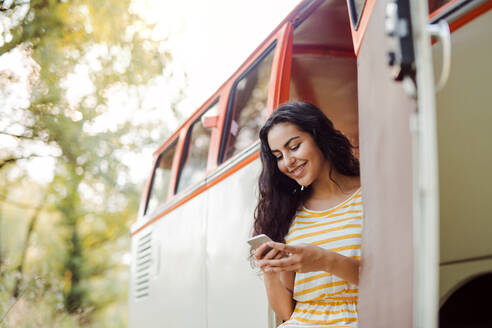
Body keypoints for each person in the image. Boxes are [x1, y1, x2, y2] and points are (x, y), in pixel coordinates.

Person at [253, 101, 362, 327]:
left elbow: (390, 283)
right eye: (278, 156)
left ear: (319, 136)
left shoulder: (371, 195)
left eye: (294, 146)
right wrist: (269, 271)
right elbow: (285, 311)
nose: (288, 162)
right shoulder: (288, 211)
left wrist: (324, 260)